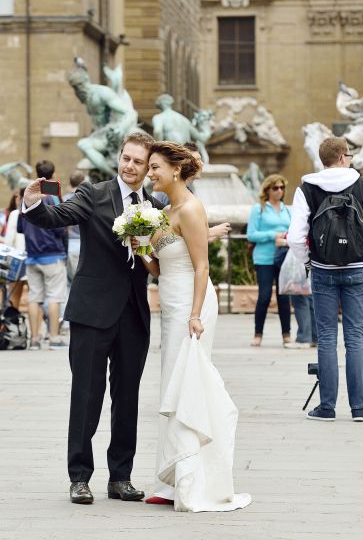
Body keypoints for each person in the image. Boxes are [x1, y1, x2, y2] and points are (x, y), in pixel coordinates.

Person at [20, 131, 160, 505]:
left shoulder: (156, 203)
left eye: (138, 161)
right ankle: (79, 477)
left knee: (127, 397)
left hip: (133, 313)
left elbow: (162, 257)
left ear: (149, 167)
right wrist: (33, 203)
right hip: (91, 311)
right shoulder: (94, 194)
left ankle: (121, 477)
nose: (130, 166)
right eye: (126, 158)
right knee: (86, 396)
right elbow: (58, 215)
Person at [135, 141, 251, 511]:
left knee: (187, 383)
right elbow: (160, 267)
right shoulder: (164, 211)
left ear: (176, 170)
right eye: (149, 168)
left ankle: (190, 481)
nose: (149, 173)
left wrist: (196, 313)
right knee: (172, 382)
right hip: (170, 305)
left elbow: (202, 267)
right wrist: (139, 248)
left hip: (192, 305)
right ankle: (171, 480)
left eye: (155, 168)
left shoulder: (190, 207)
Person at [288, 136, 363, 421]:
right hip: (357, 268)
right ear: (343, 156)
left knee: (327, 338)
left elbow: (296, 236)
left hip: (323, 271)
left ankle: (327, 407)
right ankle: (359, 408)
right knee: (355, 338)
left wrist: (309, 261)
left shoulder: (307, 188)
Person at [21, 160, 69, 350]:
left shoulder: (27, 195)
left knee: (34, 297)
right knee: (54, 297)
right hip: (52, 254)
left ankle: (34, 339)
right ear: (53, 173)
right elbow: (61, 225)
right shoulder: (54, 196)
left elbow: (20, 226)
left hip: (32, 255)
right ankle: (54, 337)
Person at [246, 174, 293, 347]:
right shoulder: (259, 209)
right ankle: (258, 334)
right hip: (264, 258)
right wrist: (273, 235)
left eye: (282, 187)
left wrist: (286, 238)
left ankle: (286, 334)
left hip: (283, 258)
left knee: (284, 296)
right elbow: (251, 234)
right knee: (264, 296)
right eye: (275, 188)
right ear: (267, 190)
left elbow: (293, 231)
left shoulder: (287, 210)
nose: (279, 191)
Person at [65, 171, 86, 279]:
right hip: (84, 244)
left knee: (69, 283)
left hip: (69, 244)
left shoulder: (63, 199)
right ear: (83, 182)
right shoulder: (86, 199)